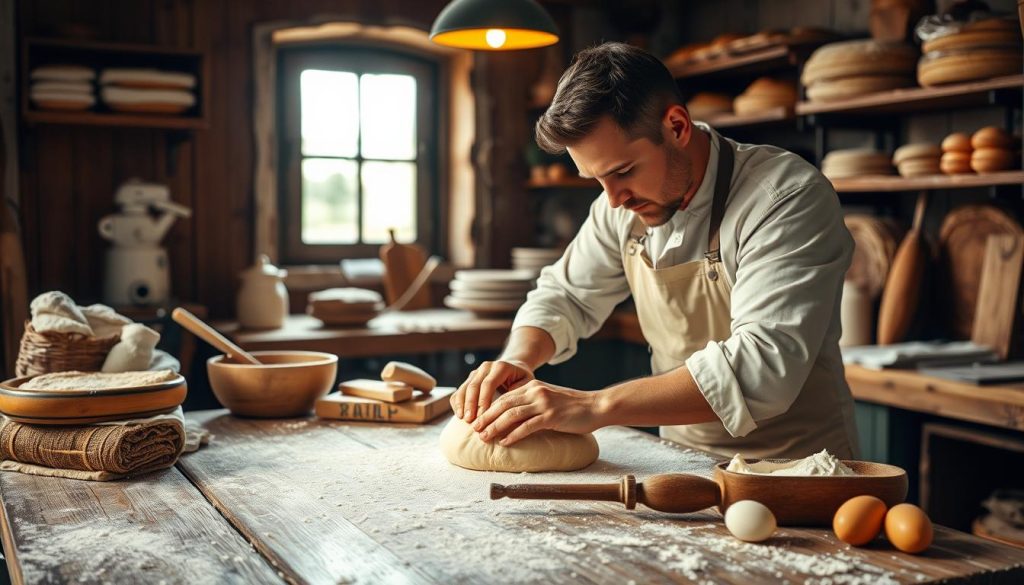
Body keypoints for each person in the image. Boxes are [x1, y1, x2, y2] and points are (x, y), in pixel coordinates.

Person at [451, 42, 859, 459]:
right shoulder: (620, 206)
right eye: (596, 179)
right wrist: (519, 358)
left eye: (623, 171)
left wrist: (594, 406)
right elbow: (566, 295)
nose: (613, 200)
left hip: (801, 469)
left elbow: (762, 368)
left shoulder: (784, 198)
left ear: (677, 127)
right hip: (683, 461)